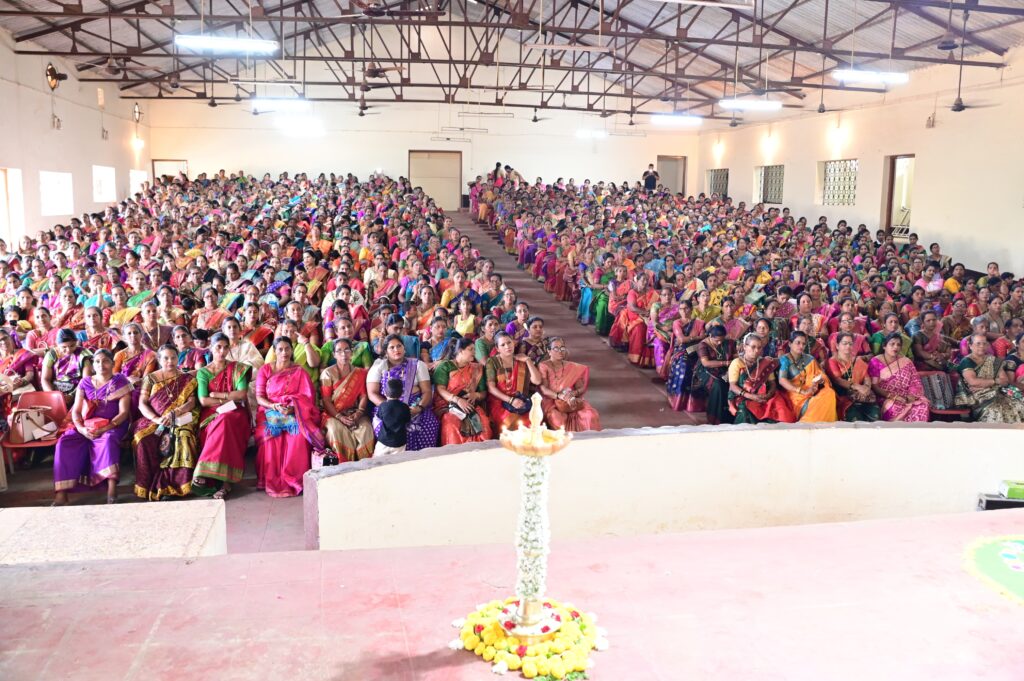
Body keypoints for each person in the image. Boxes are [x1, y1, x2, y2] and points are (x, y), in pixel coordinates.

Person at [52, 349, 131, 505]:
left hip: (113, 425)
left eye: (106, 361)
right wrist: (81, 429)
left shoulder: (121, 381)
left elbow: (124, 413)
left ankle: (111, 489)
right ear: (93, 365)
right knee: (64, 442)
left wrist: (104, 428)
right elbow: (76, 410)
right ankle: (61, 494)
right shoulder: (85, 382)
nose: (101, 364)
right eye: (97, 361)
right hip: (87, 425)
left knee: (107, 441)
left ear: (113, 363)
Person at [254, 336, 327, 497]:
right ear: (274, 351)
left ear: (292, 350)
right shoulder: (265, 370)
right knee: (270, 435)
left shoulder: (299, 371)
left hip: (295, 412)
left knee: (299, 435)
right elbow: (260, 397)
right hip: (269, 411)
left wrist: (294, 408)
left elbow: (308, 397)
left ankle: (295, 480)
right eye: (280, 349)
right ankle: (272, 480)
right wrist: (274, 406)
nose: (284, 352)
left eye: (287, 348)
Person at [132, 344, 200, 501]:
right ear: (159, 359)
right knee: (143, 438)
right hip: (153, 419)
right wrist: (156, 419)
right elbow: (142, 403)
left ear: (178, 358)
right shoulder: (151, 378)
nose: (170, 361)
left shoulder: (187, 379)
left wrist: (174, 414)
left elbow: (191, 402)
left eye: (173, 357)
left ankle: (178, 484)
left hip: (179, 418)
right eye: (166, 358)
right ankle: (148, 484)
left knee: (183, 436)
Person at [192, 333, 253, 499]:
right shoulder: (203, 372)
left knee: (226, 421)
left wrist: (219, 395)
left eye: (226, 347)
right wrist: (226, 397)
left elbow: (241, 394)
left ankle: (210, 474)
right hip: (211, 413)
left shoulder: (238, 368)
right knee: (220, 423)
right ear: (211, 348)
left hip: (235, 411)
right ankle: (222, 481)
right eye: (218, 347)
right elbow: (204, 400)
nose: (222, 351)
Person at [367, 334, 439, 451]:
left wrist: (419, 408)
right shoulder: (379, 366)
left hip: (414, 406)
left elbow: (426, 391)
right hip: (387, 407)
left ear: (404, 348)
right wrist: (390, 408)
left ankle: (422, 462)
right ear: (386, 352)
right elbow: (372, 393)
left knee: (429, 423)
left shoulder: (418, 365)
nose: (396, 350)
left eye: (399, 346)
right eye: (392, 347)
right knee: (383, 425)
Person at [319, 338, 374, 461]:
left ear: (352, 352)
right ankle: (344, 464)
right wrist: (339, 417)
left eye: (346, 350)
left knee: (366, 428)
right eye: (339, 351)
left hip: (354, 412)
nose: (343, 354)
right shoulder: (327, 373)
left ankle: (365, 465)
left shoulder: (360, 373)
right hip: (333, 414)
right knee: (335, 430)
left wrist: (359, 412)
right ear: (333, 354)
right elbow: (326, 400)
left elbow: (364, 396)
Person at [432, 337, 494, 445]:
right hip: (448, 406)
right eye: (471, 349)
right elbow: (440, 389)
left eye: (474, 349)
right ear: (460, 351)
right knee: (451, 423)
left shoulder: (477, 368)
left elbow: (483, 393)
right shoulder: (445, 366)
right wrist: (458, 400)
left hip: (470, 406)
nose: (474, 352)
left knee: (484, 422)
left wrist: (476, 395)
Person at [954, 333, 1024, 423]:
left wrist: (984, 383)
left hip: (998, 394)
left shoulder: (993, 360)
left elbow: (1005, 381)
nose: (982, 346)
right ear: (970, 346)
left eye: (984, 343)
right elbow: (973, 382)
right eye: (978, 343)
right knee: (996, 411)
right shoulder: (967, 361)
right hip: (977, 398)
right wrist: (995, 381)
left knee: (1019, 405)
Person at [727, 333, 794, 424]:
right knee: (746, 411)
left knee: (780, 409)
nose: (756, 350)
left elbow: (772, 383)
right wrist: (751, 396)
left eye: (759, 347)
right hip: (743, 397)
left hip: (763, 396)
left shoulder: (765, 362)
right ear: (745, 347)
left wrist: (768, 395)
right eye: (753, 347)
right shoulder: (737, 363)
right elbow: (733, 386)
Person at [537, 337, 601, 432]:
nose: (560, 351)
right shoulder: (544, 366)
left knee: (591, 415)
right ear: (549, 351)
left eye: (562, 348)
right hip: (552, 401)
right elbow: (544, 390)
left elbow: (580, 388)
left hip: (571, 400)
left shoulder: (573, 367)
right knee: (558, 420)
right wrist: (560, 396)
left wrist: (573, 394)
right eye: (556, 348)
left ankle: (588, 441)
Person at [485, 331, 542, 430]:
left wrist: (528, 360)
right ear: (497, 349)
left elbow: (537, 381)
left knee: (532, 422)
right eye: (503, 345)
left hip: (521, 401)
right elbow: (491, 388)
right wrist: (511, 400)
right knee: (509, 424)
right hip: (500, 401)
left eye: (509, 342)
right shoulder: (492, 362)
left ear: (513, 343)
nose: (507, 346)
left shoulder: (521, 361)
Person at [868, 332, 931, 422]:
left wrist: (911, 395)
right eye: (892, 344)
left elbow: (915, 380)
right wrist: (894, 397)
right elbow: (874, 385)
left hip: (907, 396)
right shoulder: (875, 361)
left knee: (922, 407)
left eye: (898, 345)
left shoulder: (906, 361)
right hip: (886, 397)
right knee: (895, 409)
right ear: (884, 346)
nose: (895, 347)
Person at [778, 330, 837, 422]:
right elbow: (782, 380)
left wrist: (819, 381)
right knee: (816, 402)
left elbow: (821, 375)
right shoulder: (785, 360)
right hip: (796, 394)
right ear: (790, 344)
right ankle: (805, 424)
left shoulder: (810, 358)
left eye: (803, 344)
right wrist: (802, 391)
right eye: (798, 343)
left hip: (812, 390)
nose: (801, 346)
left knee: (829, 393)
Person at [825, 332, 880, 422]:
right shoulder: (832, 361)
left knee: (875, 415)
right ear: (837, 345)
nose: (848, 346)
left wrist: (866, 388)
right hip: (844, 398)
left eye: (850, 344)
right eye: (844, 343)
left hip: (863, 396)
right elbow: (838, 380)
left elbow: (866, 377)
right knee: (855, 418)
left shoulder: (857, 360)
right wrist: (858, 387)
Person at [694, 325, 735, 425]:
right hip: (705, 371)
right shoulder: (703, 345)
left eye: (722, 340)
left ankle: (730, 416)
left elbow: (734, 354)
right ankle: (715, 417)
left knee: (734, 382)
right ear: (710, 336)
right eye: (717, 340)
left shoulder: (727, 343)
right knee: (718, 386)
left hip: (724, 370)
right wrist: (725, 363)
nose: (720, 343)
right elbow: (706, 363)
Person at [40, 328, 92, 407]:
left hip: (78, 391)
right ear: (57, 344)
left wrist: (72, 396)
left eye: (72, 345)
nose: (68, 350)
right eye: (64, 347)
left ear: (76, 342)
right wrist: (55, 396)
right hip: (55, 391)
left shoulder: (83, 354)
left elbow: (86, 380)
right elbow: (45, 379)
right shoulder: (52, 355)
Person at [374, 378, 411, 456]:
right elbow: (407, 420)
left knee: (377, 461)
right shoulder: (405, 407)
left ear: (385, 392)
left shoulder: (383, 406)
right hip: (399, 442)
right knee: (398, 463)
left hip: (383, 441)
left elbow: (379, 417)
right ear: (402, 393)